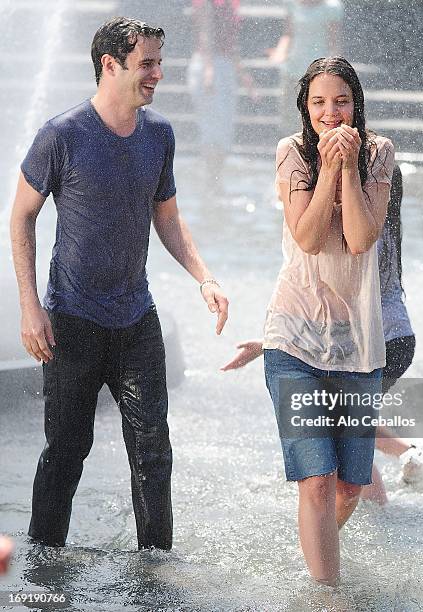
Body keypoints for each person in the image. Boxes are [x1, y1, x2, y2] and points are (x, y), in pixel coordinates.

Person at [9, 17, 229, 550]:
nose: (157, 74)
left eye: (159, 63)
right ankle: (43, 569)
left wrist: (205, 278)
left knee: (154, 453)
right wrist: (30, 308)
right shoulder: (61, 135)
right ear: (111, 65)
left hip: (136, 322)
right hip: (72, 324)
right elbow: (20, 217)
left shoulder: (159, 135)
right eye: (146, 64)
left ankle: (156, 571)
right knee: (64, 452)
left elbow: (169, 220)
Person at [222, 166, 423, 506]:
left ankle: (379, 509)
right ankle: (407, 458)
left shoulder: (364, 234)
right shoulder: (382, 226)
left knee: (343, 434)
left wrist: (274, 344)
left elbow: (339, 307)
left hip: (371, 343)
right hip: (391, 341)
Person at [261, 56, 393, 585]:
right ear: (305, 108)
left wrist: (347, 169)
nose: (331, 112)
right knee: (316, 481)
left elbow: (361, 240)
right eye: (319, 102)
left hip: (358, 344)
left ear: (356, 104)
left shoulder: (380, 153)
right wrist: (327, 168)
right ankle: (326, 594)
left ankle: (311, 553)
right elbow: (310, 238)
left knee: (347, 488)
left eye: (341, 101)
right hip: (292, 337)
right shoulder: (291, 153)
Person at [187, 0, 255, 192]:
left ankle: (215, 179)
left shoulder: (227, 5)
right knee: (212, 128)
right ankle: (211, 179)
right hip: (210, 67)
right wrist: (209, 71)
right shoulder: (208, 4)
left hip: (223, 66)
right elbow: (205, 34)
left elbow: (229, 42)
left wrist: (242, 74)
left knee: (223, 127)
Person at [268, 0, 343, 134]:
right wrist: (280, 51)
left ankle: (313, 150)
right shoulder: (291, 4)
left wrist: (336, 70)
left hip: (318, 72)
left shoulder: (331, 8)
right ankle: (293, 150)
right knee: (289, 115)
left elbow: (334, 42)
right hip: (293, 67)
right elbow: (288, 34)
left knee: (314, 115)